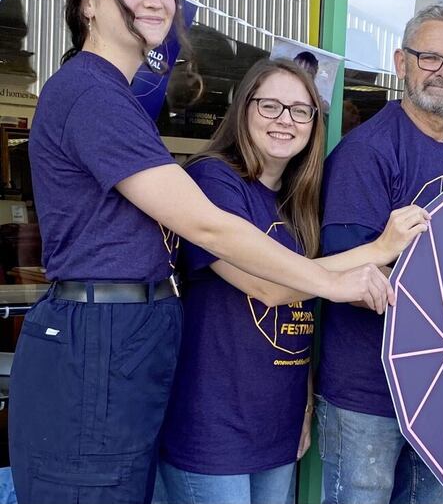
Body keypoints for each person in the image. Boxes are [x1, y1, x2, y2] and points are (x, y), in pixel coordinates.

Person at [9, 0, 423, 504]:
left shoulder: (115, 96)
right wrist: (337, 276)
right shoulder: (90, 92)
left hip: (129, 333)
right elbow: (207, 226)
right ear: (86, 0)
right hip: (99, 336)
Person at [156, 58, 425, 504]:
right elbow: (271, 288)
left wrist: (303, 402)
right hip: (211, 427)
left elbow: (298, 316)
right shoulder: (212, 182)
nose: (286, 120)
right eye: (270, 106)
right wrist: (378, 251)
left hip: (277, 425)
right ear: (244, 109)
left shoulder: (296, 203)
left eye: (301, 111)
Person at [315, 2, 443, 504]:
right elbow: (350, 277)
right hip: (368, 391)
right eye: (430, 57)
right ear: (401, 62)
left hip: (439, 391)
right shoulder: (368, 151)